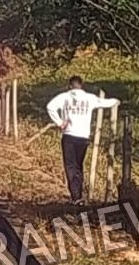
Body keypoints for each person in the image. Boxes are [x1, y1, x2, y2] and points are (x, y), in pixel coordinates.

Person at [45, 76, 120, 205]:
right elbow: (104, 102)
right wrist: (116, 101)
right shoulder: (89, 98)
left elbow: (50, 107)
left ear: (70, 86)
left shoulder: (65, 97)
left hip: (69, 135)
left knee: (70, 166)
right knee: (79, 165)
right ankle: (78, 195)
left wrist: (60, 123)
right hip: (83, 137)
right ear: (81, 85)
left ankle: (76, 196)